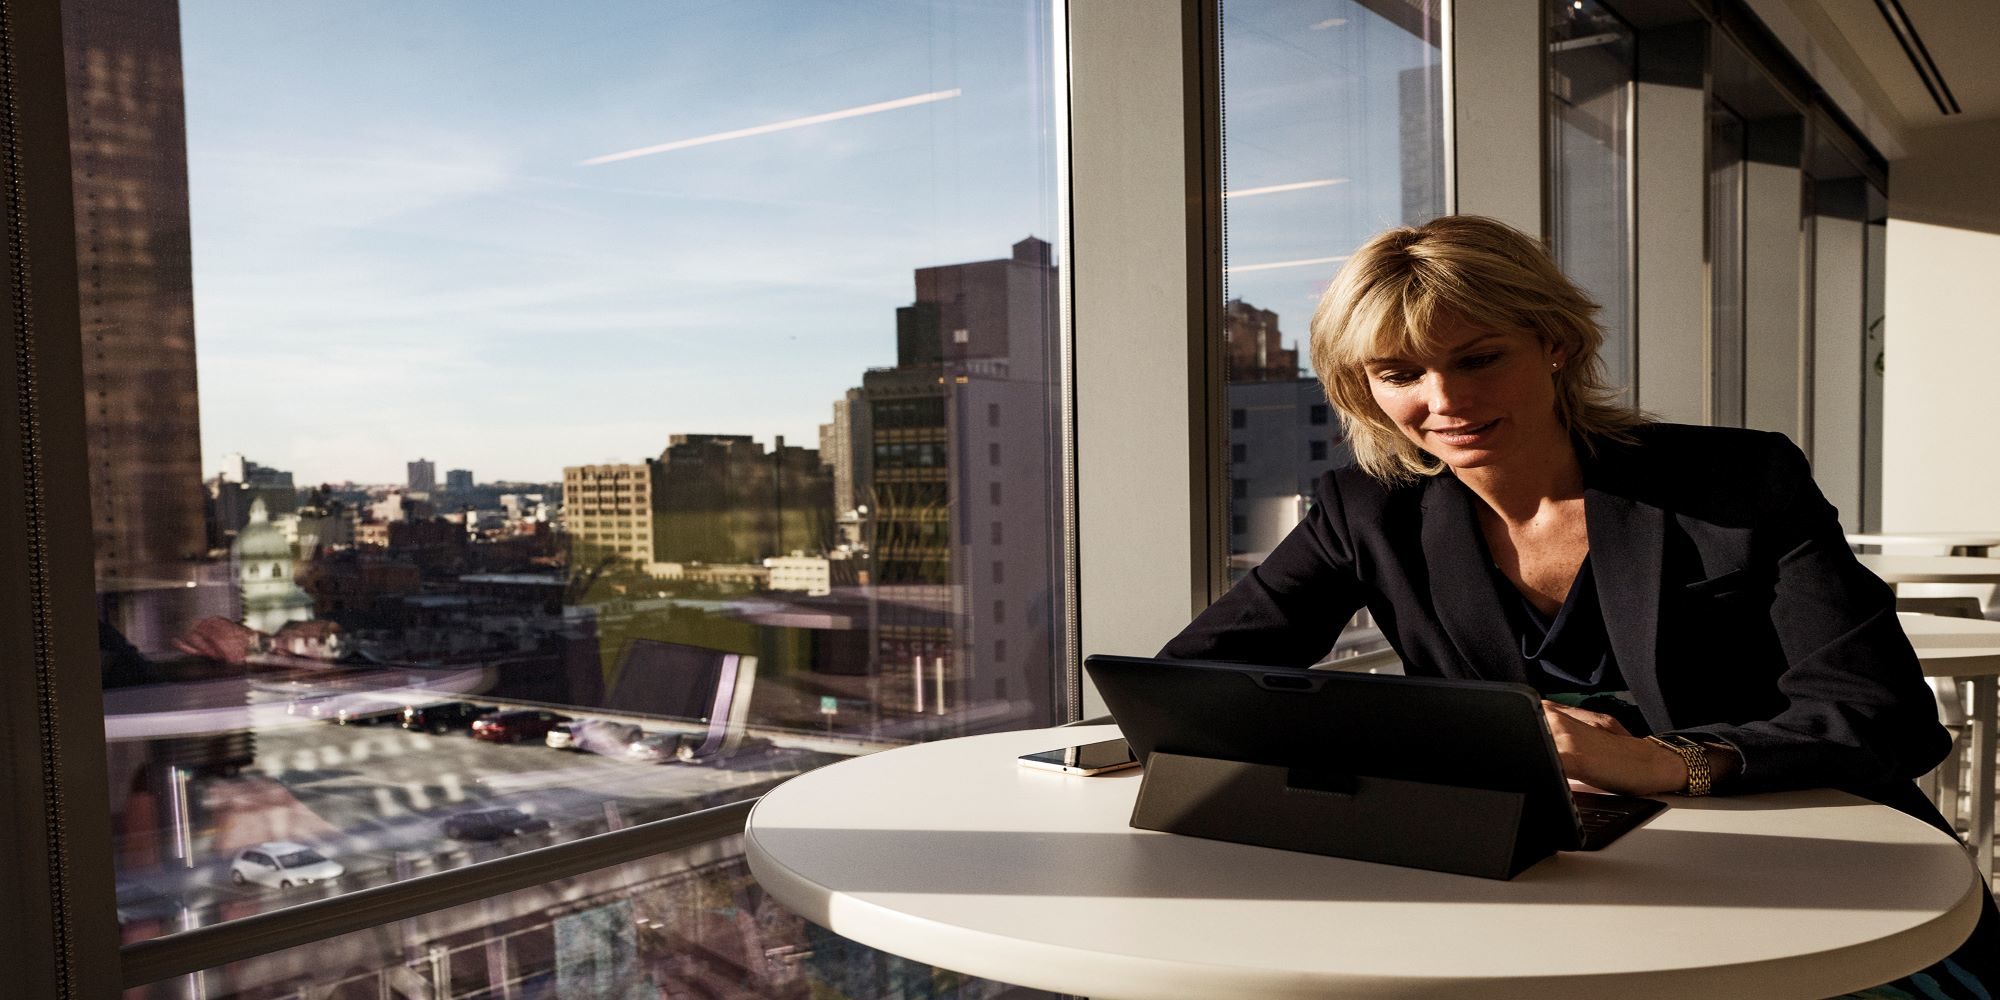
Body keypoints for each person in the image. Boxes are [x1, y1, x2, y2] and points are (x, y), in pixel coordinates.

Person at [1162, 215, 1993, 995]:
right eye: (1401, 373)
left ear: (1554, 342)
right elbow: (1194, 683)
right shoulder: (1366, 509)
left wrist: (1671, 761)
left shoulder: (1737, 482)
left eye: (1479, 358)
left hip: (1804, 871)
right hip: (1545, 884)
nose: (1443, 400)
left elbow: (1885, 719)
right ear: (1363, 387)